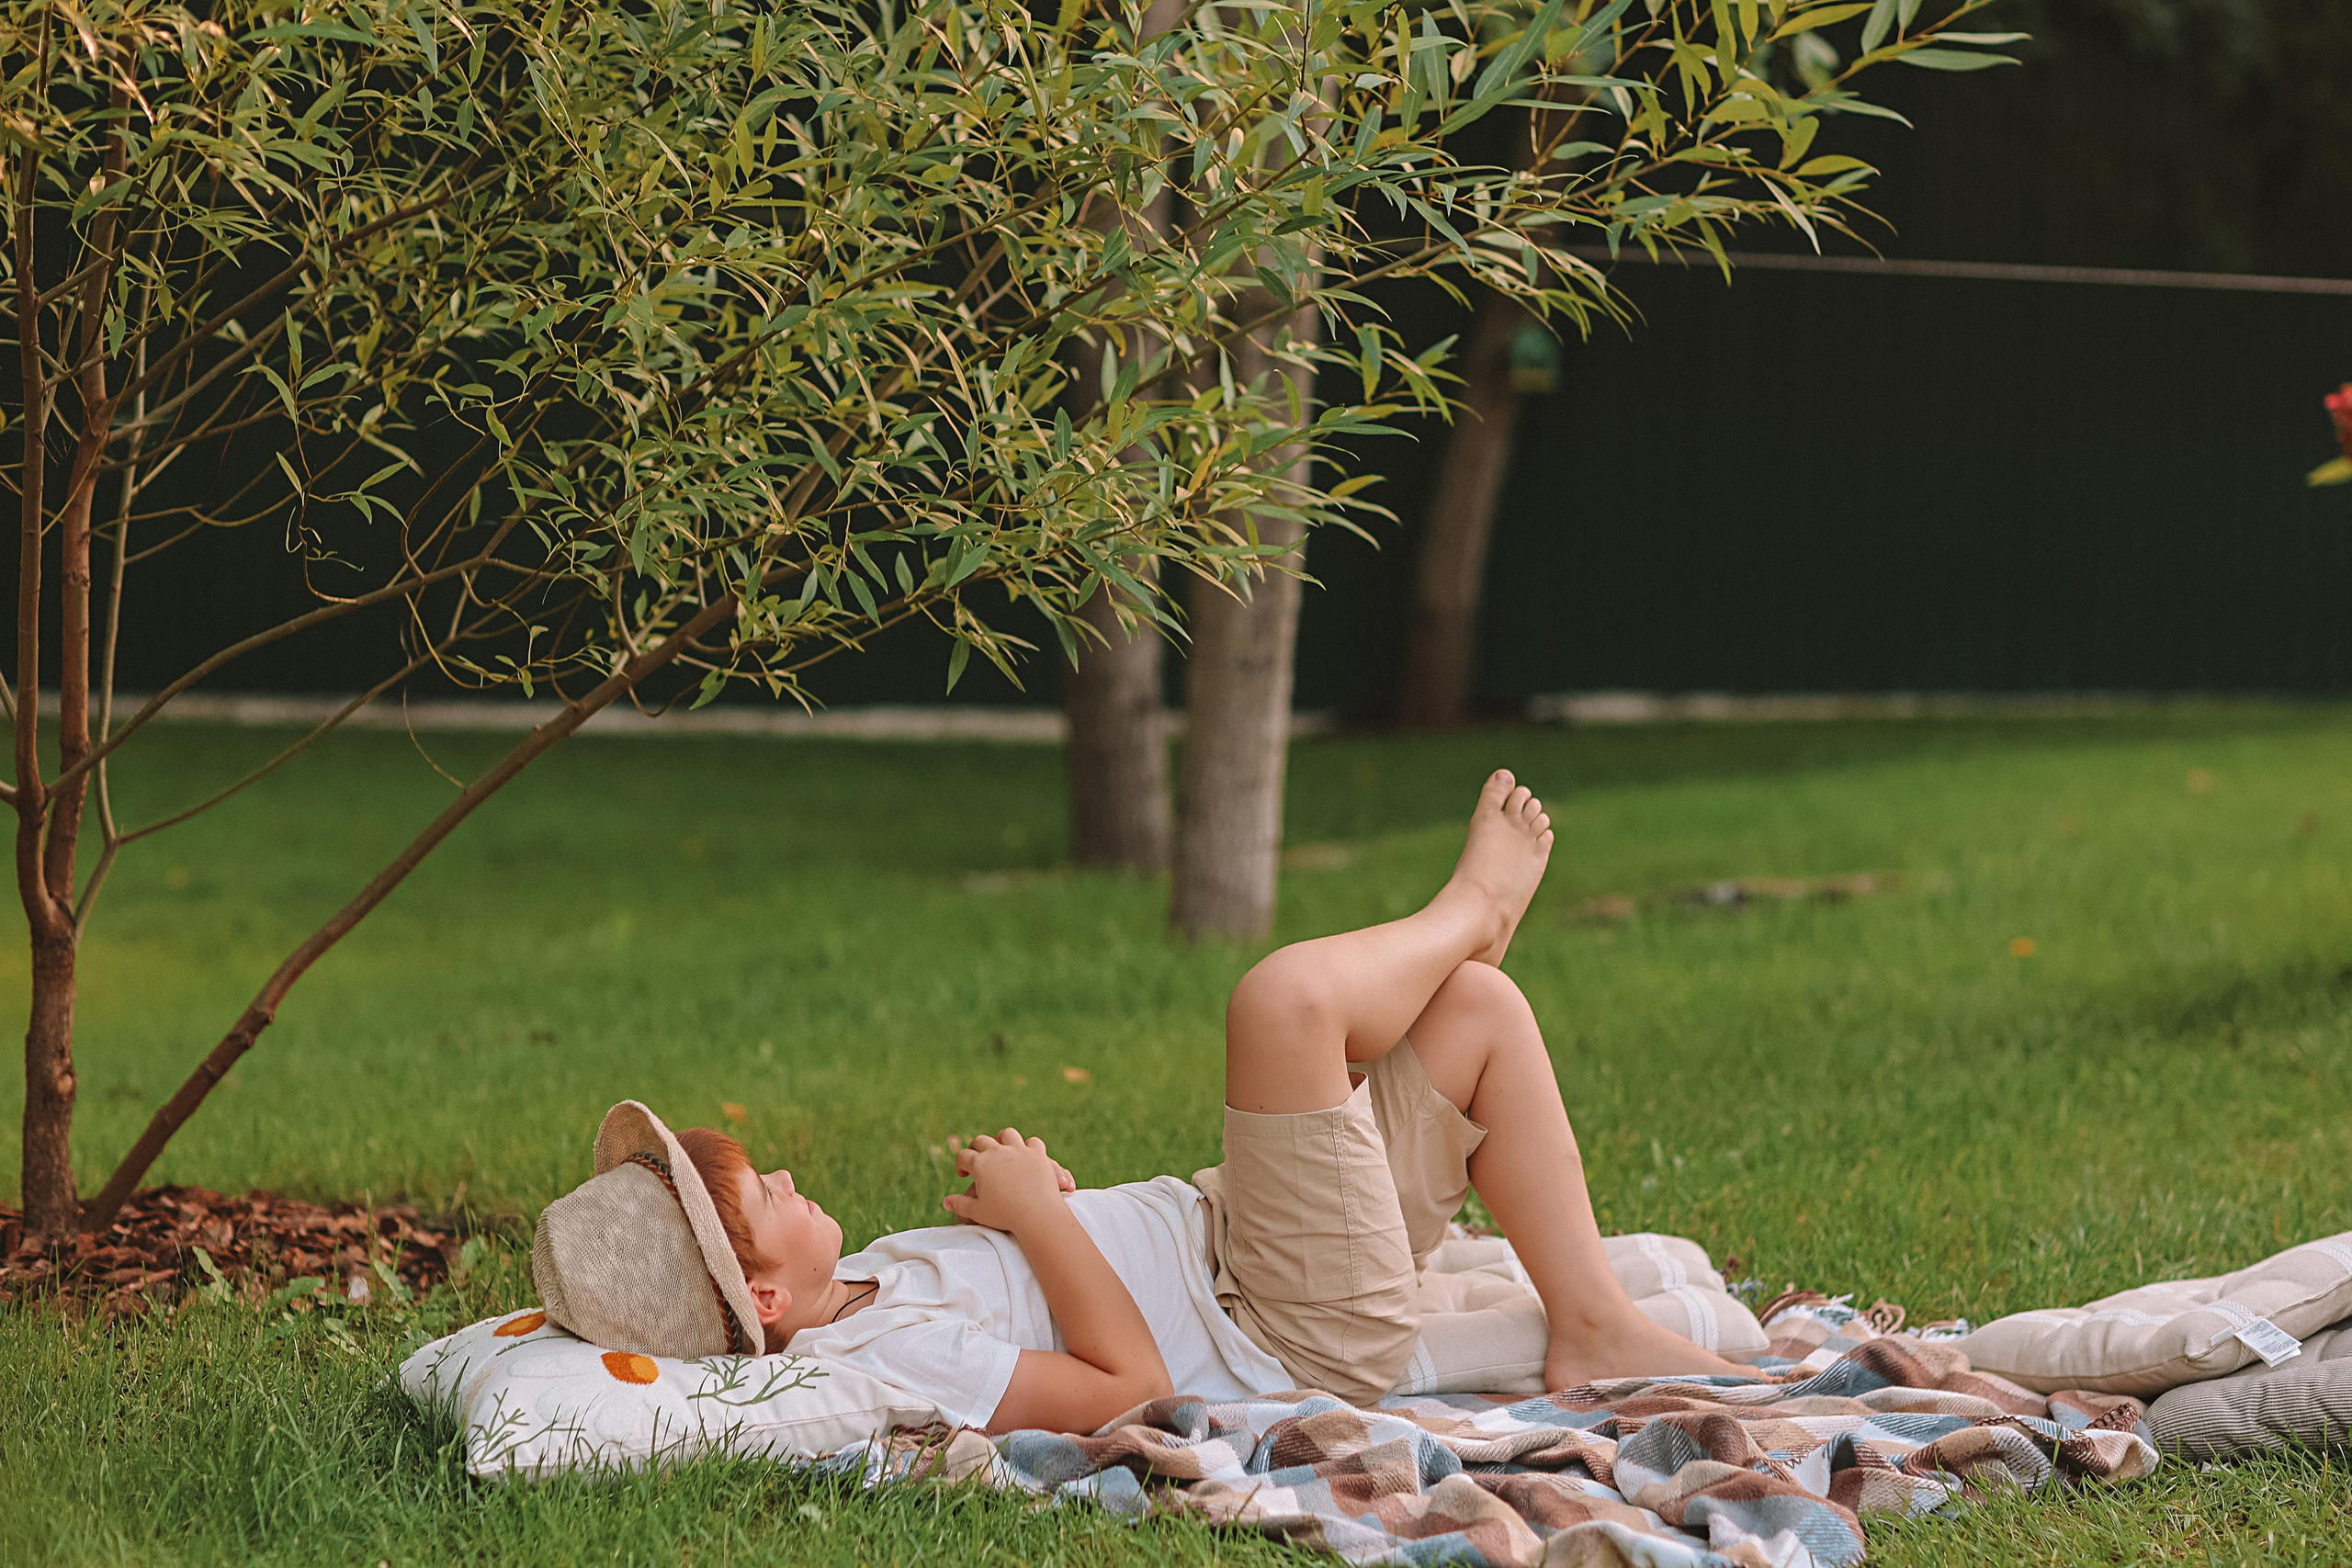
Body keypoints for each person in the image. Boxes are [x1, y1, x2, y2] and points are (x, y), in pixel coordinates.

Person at [532, 770, 1750, 1436]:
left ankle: (1591, 1320)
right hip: (1283, 1325)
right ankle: (1466, 914)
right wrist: (1045, 1223)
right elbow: (1127, 1392)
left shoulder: (872, 1280)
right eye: (767, 1195)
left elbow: (1061, 1301)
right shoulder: (887, 1354)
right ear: (759, 1298)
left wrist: (1046, 1216)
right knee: (1280, 1006)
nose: (793, 1178)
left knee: (1479, 1015)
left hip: (1239, 1240)